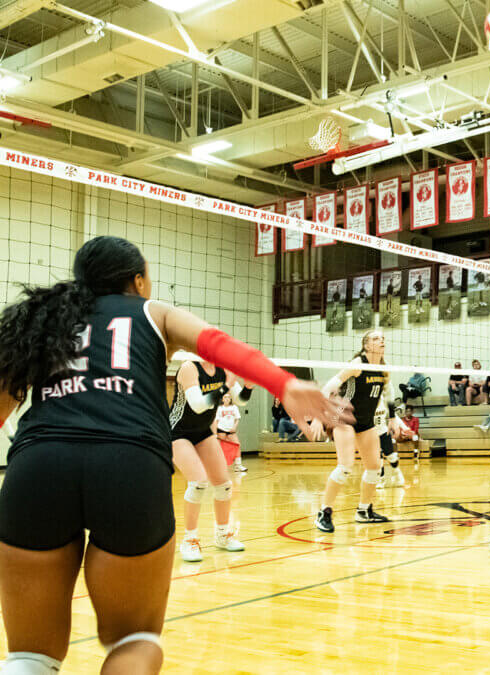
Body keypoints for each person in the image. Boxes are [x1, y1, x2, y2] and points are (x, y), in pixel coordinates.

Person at [0, 236, 344, 674]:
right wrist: (284, 383)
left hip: (40, 465)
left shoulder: (42, 321)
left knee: (29, 657)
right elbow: (218, 344)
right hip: (128, 465)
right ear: (138, 280)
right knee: (134, 643)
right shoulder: (153, 311)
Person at [310, 330, 395, 533]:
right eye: (375, 338)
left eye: (382, 338)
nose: (381, 340)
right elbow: (329, 388)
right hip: (343, 417)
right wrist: (316, 417)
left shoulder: (383, 369)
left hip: (366, 421)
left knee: (375, 467)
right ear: (366, 345)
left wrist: (393, 419)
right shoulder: (357, 364)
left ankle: (364, 511)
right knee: (346, 466)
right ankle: (324, 512)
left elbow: (390, 393)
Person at [169, 361, 250, 562]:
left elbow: (240, 400)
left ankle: (222, 535)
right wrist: (225, 386)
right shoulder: (190, 368)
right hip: (177, 432)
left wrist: (248, 386)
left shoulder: (225, 370)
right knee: (198, 482)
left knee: (224, 485)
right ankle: (190, 540)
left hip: (203, 432)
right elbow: (197, 405)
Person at [214, 392, 247, 473]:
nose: (227, 399)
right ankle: (218, 466)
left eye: (229, 397)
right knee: (220, 448)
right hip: (221, 429)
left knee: (237, 445)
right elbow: (216, 421)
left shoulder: (234, 407)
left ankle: (238, 466)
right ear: (222, 399)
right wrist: (215, 432)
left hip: (231, 430)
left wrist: (234, 427)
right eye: (225, 397)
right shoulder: (219, 408)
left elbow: (237, 419)